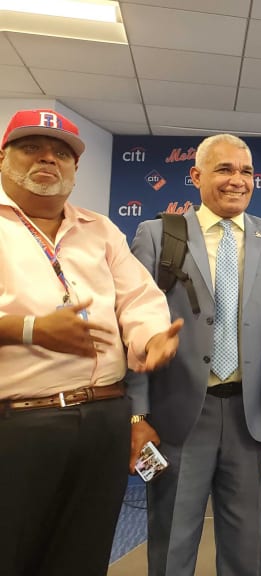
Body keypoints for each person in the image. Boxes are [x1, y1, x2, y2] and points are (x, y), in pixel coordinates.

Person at [0, 108, 181, 576]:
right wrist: (30, 329)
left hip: (104, 417)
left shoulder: (100, 229)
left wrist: (150, 338)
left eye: (61, 153)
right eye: (31, 147)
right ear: (3, 158)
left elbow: (137, 298)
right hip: (19, 423)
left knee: (83, 555)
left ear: (75, 168)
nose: (48, 158)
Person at [127, 133, 261, 576]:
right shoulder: (158, 235)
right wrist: (137, 416)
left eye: (246, 171)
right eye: (224, 169)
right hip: (178, 417)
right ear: (196, 176)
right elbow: (133, 327)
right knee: (173, 544)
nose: (237, 180)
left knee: (246, 548)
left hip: (249, 417)